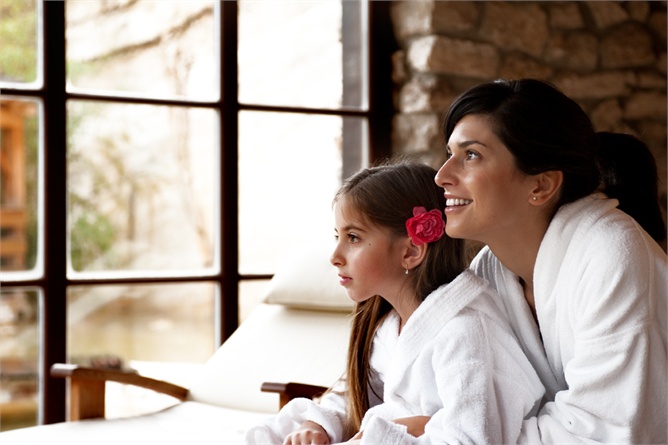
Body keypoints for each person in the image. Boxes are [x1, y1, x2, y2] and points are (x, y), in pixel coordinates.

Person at [434, 78, 667, 443]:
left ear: (541, 185)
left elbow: (605, 430)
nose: (442, 176)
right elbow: (454, 390)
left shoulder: (611, 253)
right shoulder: (489, 270)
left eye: (471, 155)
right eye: (449, 154)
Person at [245, 161, 544, 445]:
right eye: (337, 236)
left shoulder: (463, 332)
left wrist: (393, 431)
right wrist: (317, 424)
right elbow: (357, 393)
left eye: (353, 237)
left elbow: (471, 438)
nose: (334, 256)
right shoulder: (390, 326)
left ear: (411, 251)